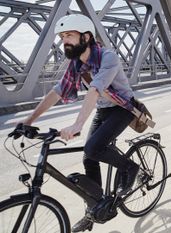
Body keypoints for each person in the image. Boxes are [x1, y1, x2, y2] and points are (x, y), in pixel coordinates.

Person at [20, 14, 139, 232]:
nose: (64, 41)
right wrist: (27, 122)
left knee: (93, 147)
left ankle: (130, 167)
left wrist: (77, 125)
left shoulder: (108, 57)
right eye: (62, 36)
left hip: (123, 109)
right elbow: (57, 92)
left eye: (69, 35)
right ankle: (96, 206)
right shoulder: (76, 64)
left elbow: (95, 90)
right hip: (103, 110)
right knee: (89, 157)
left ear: (85, 37)